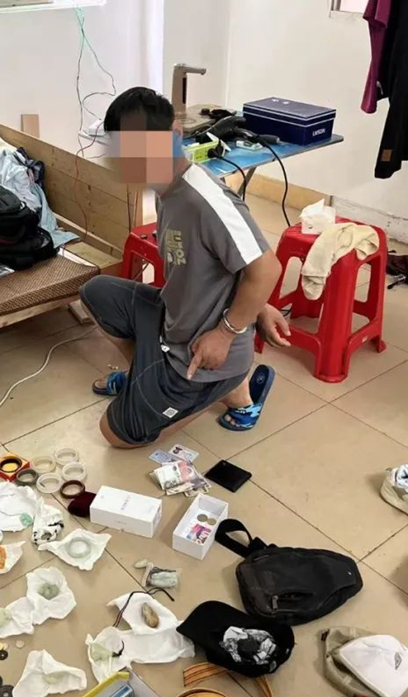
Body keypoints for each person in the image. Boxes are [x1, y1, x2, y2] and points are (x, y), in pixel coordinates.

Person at [79, 87, 291, 448]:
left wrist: (226, 332)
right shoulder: (167, 190)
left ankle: (227, 390)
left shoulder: (203, 199)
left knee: (118, 435)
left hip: (206, 351)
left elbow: (266, 268)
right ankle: (145, 379)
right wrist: (260, 306)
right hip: (174, 321)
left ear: (175, 135)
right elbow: (226, 261)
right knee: (96, 292)